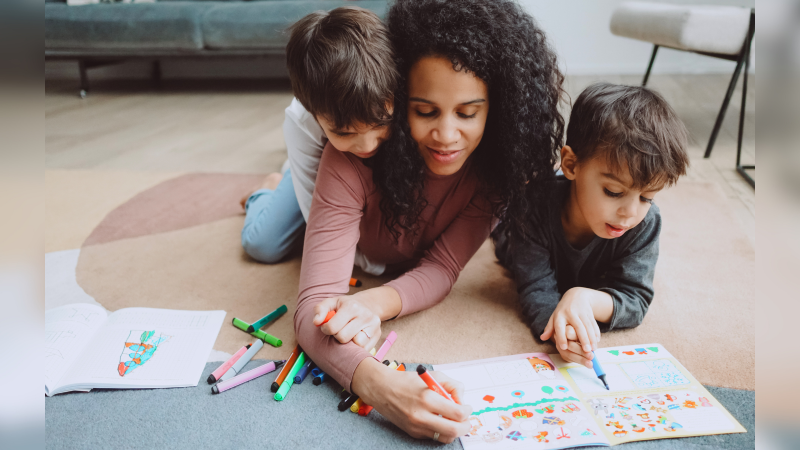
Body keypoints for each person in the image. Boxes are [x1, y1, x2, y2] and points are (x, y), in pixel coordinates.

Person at [294, 0, 565, 443]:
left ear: (498, 109)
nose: (446, 137)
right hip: (333, 201)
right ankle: (276, 186)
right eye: (424, 111)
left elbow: (443, 267)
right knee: (273, 232)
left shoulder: (498, 170)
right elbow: (313, 307)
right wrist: (381, 386)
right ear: (398, 99)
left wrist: (372, 303)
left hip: (376, 237)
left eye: (468, 113)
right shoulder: (351, 155)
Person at [493, 83, 690, 369]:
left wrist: (583, 298)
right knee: (502, 221)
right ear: (571, 164)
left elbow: (635, 299)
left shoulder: (645, 222)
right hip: (512, 234)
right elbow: (536, 288)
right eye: (613, 191)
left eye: (647, 197)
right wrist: (563, 332)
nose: (630, 213)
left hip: (581, 270)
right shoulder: (533, 205)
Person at [239, 6, 396, 275]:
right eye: (344, 133)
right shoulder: (301, 121)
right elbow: (320, 221)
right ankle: (266, 190)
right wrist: (377, 265)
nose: (368, 145)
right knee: (262, 245)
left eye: (381, 123)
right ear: (313, 114)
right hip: (314, 169)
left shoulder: (392, 86)